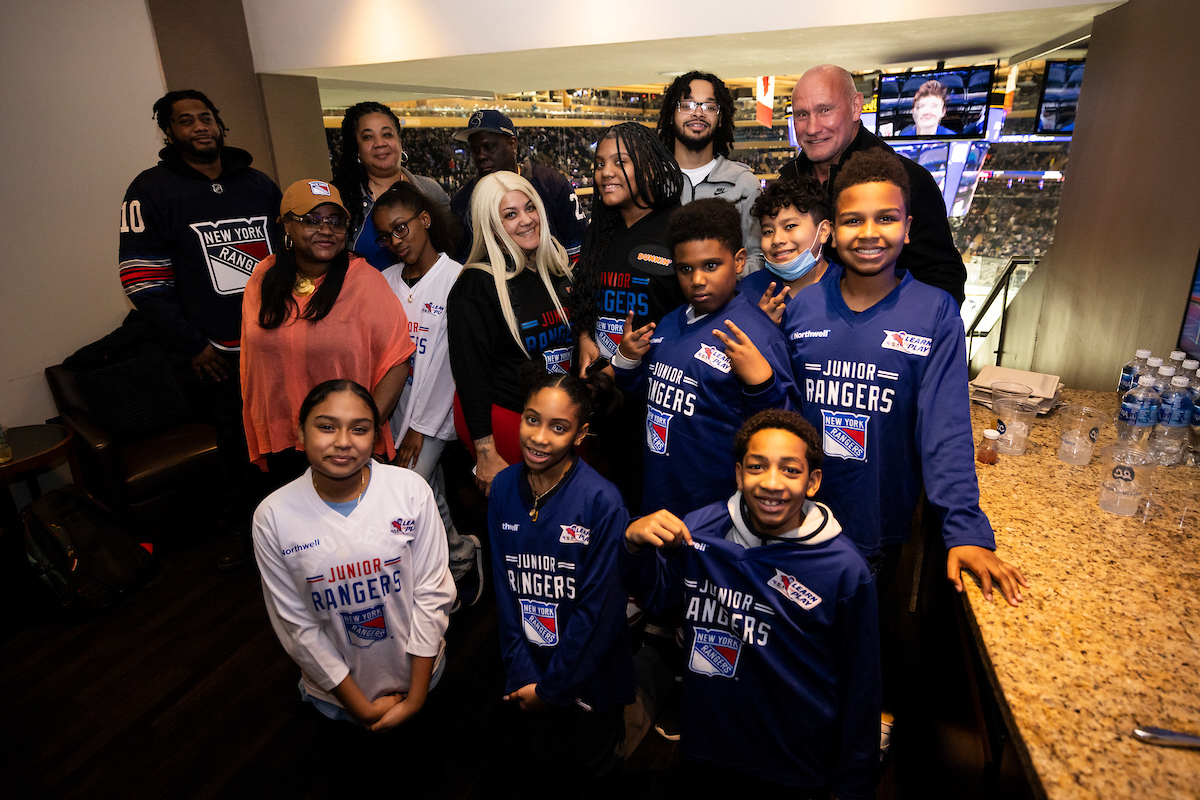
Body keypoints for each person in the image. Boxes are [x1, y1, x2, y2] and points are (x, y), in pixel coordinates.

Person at [624, 410, 879, 798]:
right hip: (708, 749)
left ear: (813, 482)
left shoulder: (842, 569)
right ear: (739, 474)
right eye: (757, 467)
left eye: (790, 471)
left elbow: (861, 685)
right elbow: (659, 596)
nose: (772, 483)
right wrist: (635, 545)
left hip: (794, 762)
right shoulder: (700, 531)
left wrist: (852, 784)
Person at [251, 380, 455, 784]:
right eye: (326, 426)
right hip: (338, 700)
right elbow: (297, 627)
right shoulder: (273, 516)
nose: (343, 442)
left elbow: (432, 595)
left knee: (423, 777)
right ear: (300, 431)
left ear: (376, 435)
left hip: (420, 680)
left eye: (360, 429)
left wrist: (415, 699)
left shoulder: (409, 491)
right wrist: (358, 707)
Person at [119, 89, 282, 570]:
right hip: (214, 354)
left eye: (206, 117)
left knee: (285, 436)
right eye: (186, 121)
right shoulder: (150, 189)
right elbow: (141, 278)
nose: (199, 127)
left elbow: (288, 259)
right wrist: (191, 346)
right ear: (169, 132)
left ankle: (293, 527)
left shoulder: (258, 184)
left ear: (220, 123)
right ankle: (247, 534)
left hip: (274, 342)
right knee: (237, 446)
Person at [489, 371, 635, 787]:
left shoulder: (601, 501)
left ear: (580, 434)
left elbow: (599, 613)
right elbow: (504, 592)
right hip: (531, 673)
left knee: (593, 772)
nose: (539, 437)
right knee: (545, 766)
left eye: (558, 427)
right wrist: (522, 673)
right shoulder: (501, 488)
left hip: (591, 678)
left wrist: (553, 689)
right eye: (532, 419)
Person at [612, 198, 796, 517]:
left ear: (738, 261)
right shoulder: (668, 323)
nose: (697, 280)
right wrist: (627, 363)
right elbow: (653, 398)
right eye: (686, 269)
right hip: (660, 496)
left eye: (711, 265)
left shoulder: (756, 334)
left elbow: (789, 431)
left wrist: (762, 384)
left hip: (718, 511)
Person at [241, 179, 414, 476]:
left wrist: (362, 429)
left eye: (335, 222)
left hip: (344, 447)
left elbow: (397, 361)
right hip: (282, 439)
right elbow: (252, 360)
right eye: (312, 220)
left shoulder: (364, 281)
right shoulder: (263, 276)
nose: (326, 230)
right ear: (286, 225)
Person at [372, 183, 483, 611]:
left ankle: (453, 565)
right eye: (386, 236)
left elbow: (450, 364)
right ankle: (459, 552)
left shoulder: (458, 278)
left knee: (410, 488)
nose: (395, 242)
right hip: (395, 409)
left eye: (401, 228)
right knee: (428, 489)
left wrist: (420, 427)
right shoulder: (384, 281)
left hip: (434, 414)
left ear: (424, 219)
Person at [778, 64, 968, 305]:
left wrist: (886, 331)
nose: (813, 128)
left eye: (825, 110)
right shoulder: (787, 182)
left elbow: (942, 279)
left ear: (856, 107)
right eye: (801, 114)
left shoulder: (909, 181)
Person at [447, 171, 574, 497]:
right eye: (510, 214)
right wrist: (485, 454)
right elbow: (470, 378)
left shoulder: (556, 268)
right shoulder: (474, 286)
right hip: (511, 428)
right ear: (491, 226)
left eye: (530, 208)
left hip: (563, 422)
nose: (527, 220)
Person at [656, 71, 764, 274]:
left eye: (709, 106)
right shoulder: (652, 181)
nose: (698, 113)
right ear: (672, 115)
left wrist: (722, 282)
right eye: (687, 105)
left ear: (721, 118)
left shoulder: (744, 184)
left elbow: (756, 256)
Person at [449, 110, 587, 264]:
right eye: (475, 150)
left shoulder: (553, 185)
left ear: (512, 144)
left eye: (489, 147)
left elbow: (578, 251)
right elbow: (461, 265)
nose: (481, 156)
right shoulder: (461, 203)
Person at [332, 102, 451, 270]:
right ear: (356, 149)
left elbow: (451, 249)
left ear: (399, 140)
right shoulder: (343, 198)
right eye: (368, 137)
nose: (380, 143)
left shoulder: (430, 190)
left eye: (387, 134)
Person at [741, 176, 833, 324]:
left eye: (790, 226)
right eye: (768, 232)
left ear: (823, 231)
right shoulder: (748, 291)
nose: (777, 240)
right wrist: (758, 326)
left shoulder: (847, 288)